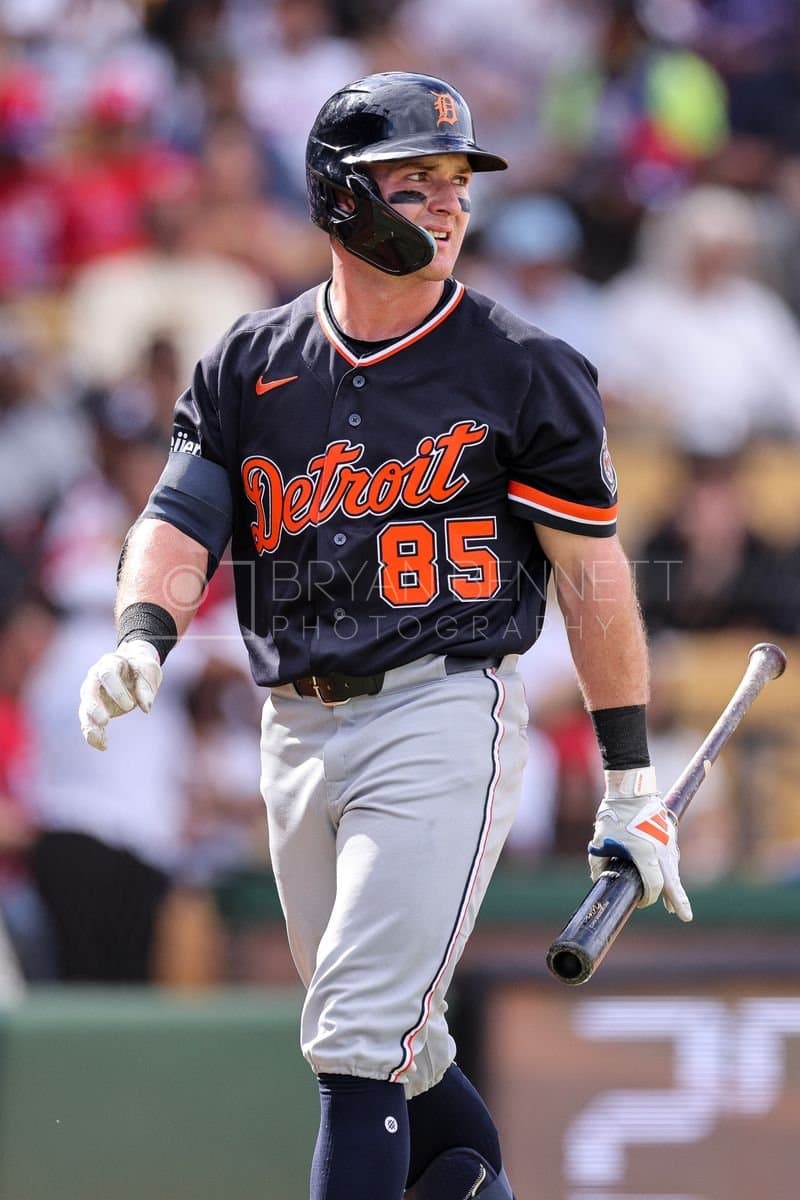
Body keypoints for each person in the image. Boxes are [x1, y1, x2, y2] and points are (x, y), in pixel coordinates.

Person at [77, 72, 692, 1200]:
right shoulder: (250, 360)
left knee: (357, 1037)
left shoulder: (520, 364)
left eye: (457, 183)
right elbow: (179, 516)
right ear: (342, 199)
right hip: (294, 727)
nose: (450, 206)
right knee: (403, 1057)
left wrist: (626, 780)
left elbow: (593, 578)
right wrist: (142, 632)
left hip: (440, 707)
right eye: (417, 183)